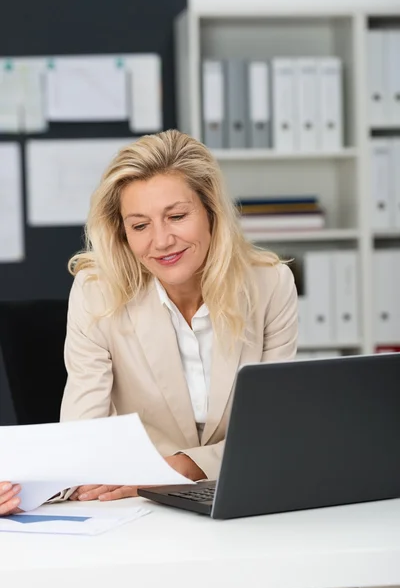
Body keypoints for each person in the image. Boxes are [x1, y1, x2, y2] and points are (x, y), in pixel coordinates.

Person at [0, 129, 297, 514]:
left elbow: (272, 433)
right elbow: (80, 434)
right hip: (134, 508)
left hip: (240, 496)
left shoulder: (269, 284)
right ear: (123, 233)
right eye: (140, 226)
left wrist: (176, 468)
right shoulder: (98, 292)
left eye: (176, 216)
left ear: (211, 212)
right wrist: (18, 489)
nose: (161, 241)